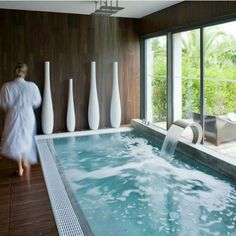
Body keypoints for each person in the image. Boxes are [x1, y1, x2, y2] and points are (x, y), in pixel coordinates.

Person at [0, 63, 41, 176]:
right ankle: (26, 162)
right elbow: (37, 102)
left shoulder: (6, 86)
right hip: (28, 115)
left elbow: (3, 104)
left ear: (15, 72)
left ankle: (20, 168)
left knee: (16, 140)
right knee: (26, 137)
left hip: (13, 115)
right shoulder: (32, 86)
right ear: (25, 73)